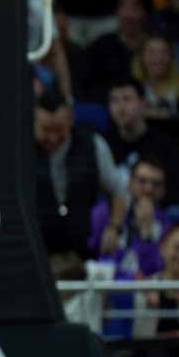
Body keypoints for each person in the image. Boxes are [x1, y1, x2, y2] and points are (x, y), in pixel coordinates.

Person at [35, 91, 123, 258]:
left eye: (59, 130)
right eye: (46, 130)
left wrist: (114, 227)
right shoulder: (20, 153)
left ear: (71, 120)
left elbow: (118, 191)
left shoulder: (94, 145)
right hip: (35, 249)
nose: (53, 138)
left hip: (82, 249)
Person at [103, 78, 179, 205]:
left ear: (143, 104)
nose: (121, 107)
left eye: (127, 99)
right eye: (115, 101)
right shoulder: (104, 145)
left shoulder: (166, 144)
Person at [89, 158, 171, 279]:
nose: (148, 189)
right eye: (142, 181)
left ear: (163, 190)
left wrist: (147, 233)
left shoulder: (166, 224)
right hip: (104, 286)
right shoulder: (104, 213)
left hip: (144, 292)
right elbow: (89, 255)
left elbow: (154, 271)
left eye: (156, 184)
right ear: (130, 183)